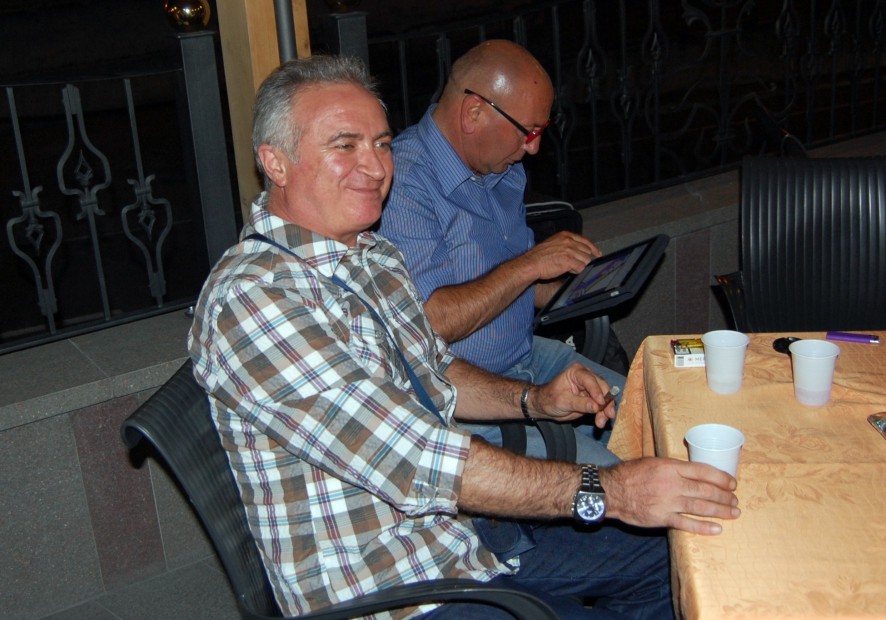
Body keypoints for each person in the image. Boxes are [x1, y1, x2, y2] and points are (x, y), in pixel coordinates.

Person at [188, 55, 740, 619]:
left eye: (381, 144)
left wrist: (533, 400)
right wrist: (614, 491)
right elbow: (420, 461)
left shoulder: (369, 255)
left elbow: (436, 371)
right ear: (275, 163)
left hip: (464, 542)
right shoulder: (256, 299)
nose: (375, 167)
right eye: (345, 145)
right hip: (400, 594)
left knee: (674, 554)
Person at [379, 40, 624, 464]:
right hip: (466, 399)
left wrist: (581, 288)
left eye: (541, 131)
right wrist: (531, 264)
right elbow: (431, 322)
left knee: (649, 412)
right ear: (473, 113)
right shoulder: (403, 185)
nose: (534, 148)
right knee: (619, 479)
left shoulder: (504, 171)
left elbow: (517, 288)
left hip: (530, 355)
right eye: (528, 131)